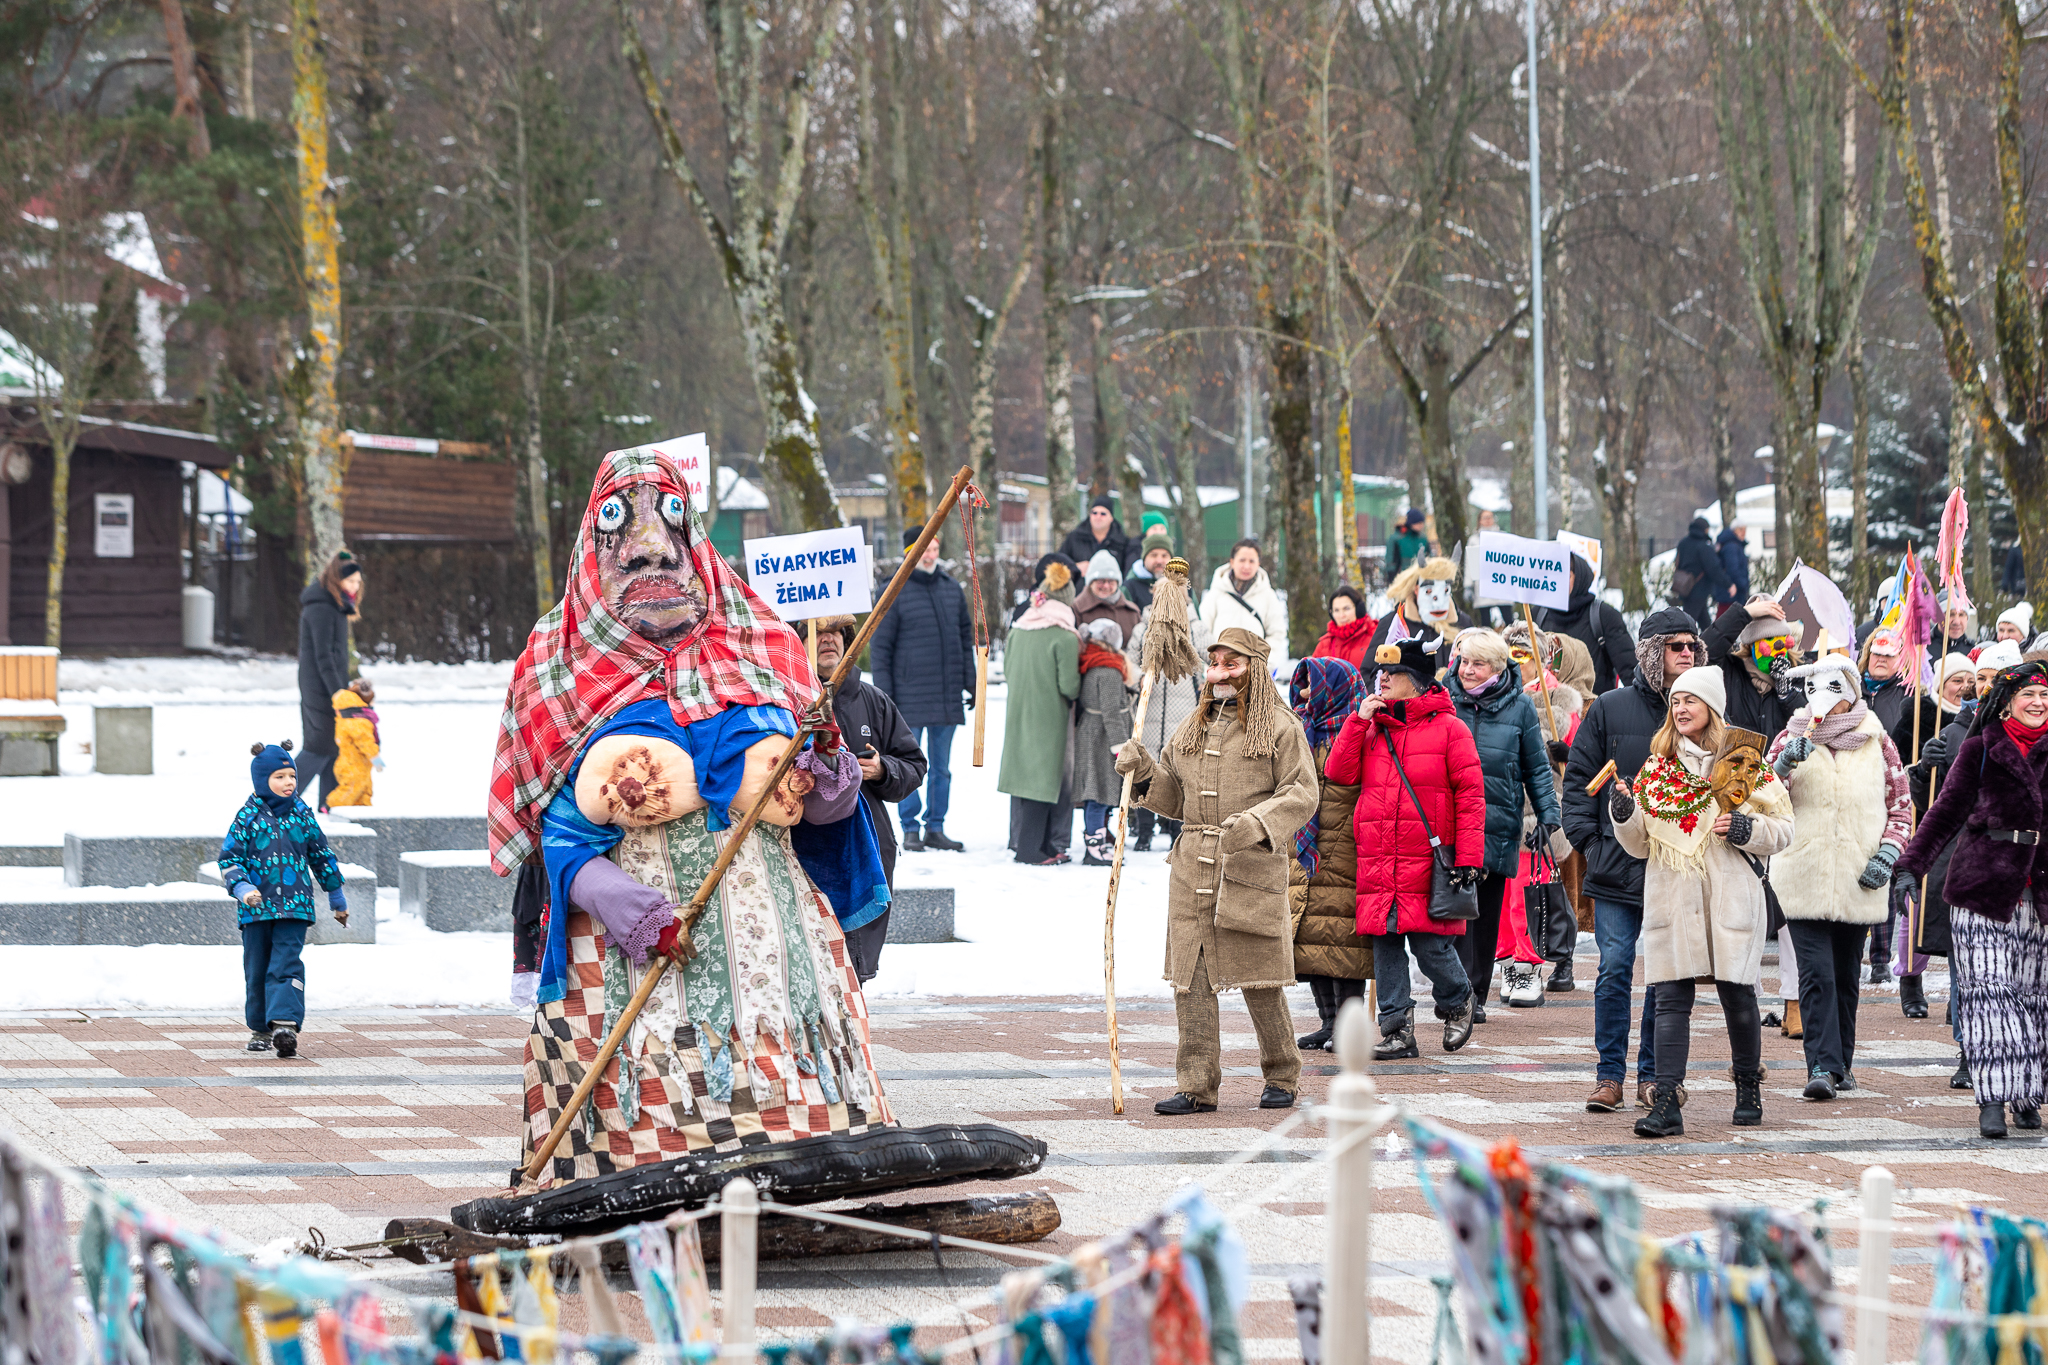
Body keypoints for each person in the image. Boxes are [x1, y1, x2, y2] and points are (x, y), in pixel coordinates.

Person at [487, 444, 890, 1191]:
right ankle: (626, 1177)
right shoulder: (556, 660)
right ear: (595, 536)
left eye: (667, 514)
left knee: (787, 1097)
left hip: (777, 954)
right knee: (635, 1120)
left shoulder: (761, 641)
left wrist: (826, 771)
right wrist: (620, 902)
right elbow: (558, 830)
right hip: (628, 950)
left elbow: (825, 808)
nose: (648, 546)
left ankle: (807, 1170)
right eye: (621, 520)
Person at [1114, 627, 1319, 1113]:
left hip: (1251, 868)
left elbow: (1302, 793)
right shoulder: (1191, 726)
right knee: (1192, 982)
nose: (1221, 673)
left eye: (1233, 663)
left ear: (1255, 667)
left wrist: (1256, 823)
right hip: (1191, 868)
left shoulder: (1282, 728)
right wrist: (1143, 771)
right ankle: (1197, 1085)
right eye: (1215, 663)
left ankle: (1283, 1076)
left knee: (1261, 979)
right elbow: (1173, 797)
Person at [1609, 668, 1793, 1137]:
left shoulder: (1744, 762)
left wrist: (1748, 829)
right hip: (1673, 894)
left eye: (1691, 700)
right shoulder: (1658, 769)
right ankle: (1667, 1103)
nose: (1681, 708)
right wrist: (1625, 814)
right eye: (1675, 702)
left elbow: (1784, 828)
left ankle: (1748, 1087)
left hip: (1731, 892)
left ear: (1711, 707)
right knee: (1670, 997)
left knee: (1737, 993)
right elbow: (1639, 844)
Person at [1895, 659, 2048, 1138]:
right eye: (2029, 695)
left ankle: (2026, 1092)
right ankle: (1992, 1099)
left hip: (2040, 892)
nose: (2039, 704)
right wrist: (1909, 867)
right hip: (1982, 885)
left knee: (2033, 998)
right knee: (1987, 993)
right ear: (2006, 702)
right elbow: (1944, 813)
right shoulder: (1981, 748)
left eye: (2046, 697)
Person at [1563, 607, 1702, 1113]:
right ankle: (1609, 1076)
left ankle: (1652, 1075)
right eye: (1676, 646)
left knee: (1665, 974)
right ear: (1651, 651)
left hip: (1674, 865)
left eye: (1692, 646)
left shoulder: (1704, 711)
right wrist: (1590, 841)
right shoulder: (1611, 708)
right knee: (1615, 967)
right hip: (1615, 862)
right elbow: (1580, 780)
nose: (1686, 654)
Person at [1327, 637, 1487, 1060]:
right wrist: (1357, 721)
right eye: (1379, 674)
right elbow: (1338, 773)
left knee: (1430, 944)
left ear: (1415, 682)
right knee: (1385, 943)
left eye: (1390, 674)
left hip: (1425, 860)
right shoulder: (1373, 726)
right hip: (1379, 857)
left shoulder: (1451, 730)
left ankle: (1458, 1001)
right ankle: (1397, 1030)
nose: (1381, 680)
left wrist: (1469, 858)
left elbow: (1471, 797)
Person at [1764, 649, 1913, 1102]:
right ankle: (1822, 1066)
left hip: (1858, 876)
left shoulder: (1877, 741)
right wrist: (1784, 765)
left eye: (1831, 690)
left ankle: (1842, 1064)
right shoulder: (1788, 737)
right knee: (1816, 974)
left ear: (1850, 693)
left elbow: (1901, 806)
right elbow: (1761, 797)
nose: (1821, 702)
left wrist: (1887, 854)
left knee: (1847, 974)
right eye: (1813, 691)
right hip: (1802, 874)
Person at [1444, 628, 1563, 1018]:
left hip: (1499, 822)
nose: (1468, 670)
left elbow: (1537, 767)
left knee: (1485, 914)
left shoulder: (1520, 707)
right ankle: (1457, 992)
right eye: (1464, 662)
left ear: (1496, 667)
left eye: (1478, 664)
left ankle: (1475, 993)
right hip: (1453, 824)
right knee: (1455, 913)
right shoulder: (1445, 700)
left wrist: (1549, 814)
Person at [810, 615, 928, 982]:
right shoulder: (783, 699)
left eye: (835, 632)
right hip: (802, 845)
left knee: (852, 970)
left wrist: (882, 770)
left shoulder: (873, 700)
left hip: (867, 843)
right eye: (817, 631)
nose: (828, 639)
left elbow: (914, 765)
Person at [221, 741, 348, 1058]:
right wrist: (243, 889)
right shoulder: (248, 817)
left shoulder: (302, 815)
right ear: (263, 780)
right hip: (256, 910)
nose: (289, 782)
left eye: (291, 775)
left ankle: (285, 1025)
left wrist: (336, 896)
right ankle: (260, 1028)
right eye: (280, 777)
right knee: (257, 968)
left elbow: (321, 856)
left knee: (286, 964)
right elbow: (229, 860)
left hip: (295, 907)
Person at [1495, 629, 1586, 999]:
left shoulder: (1559, 704)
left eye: (1524, 652)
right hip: (1499, 808)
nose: (1517, 660)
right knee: (1499, 898)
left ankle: (1528, 965)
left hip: (1538, 815)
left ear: (1542, 657)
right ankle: (1507, 962)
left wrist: (1564, 753)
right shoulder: (1493, 697)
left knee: (1528, 893)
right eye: (1510, 653)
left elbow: (1580, 757)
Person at [870, 529, 974, 852]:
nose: (930, 554)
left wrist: (970, 682)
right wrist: (884, 698)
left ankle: (936, 827)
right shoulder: (893, 591)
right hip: (907, 698)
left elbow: (964, 640)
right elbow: (880, 647)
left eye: (934, 547)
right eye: (923, 548)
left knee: (941, 767)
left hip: (945, 696)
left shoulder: (951, 589)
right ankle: (910, 827)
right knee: (908, 766)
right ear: (908, 552)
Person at [1287, 656, 1371, 1051]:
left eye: (1311, 686)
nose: (1303, 694)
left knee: (1345, 943)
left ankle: (1349, 1028)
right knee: (1311, 938)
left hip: (1346, 850)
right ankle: (1327, 1022)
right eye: (1301, 686)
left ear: (1333, 688)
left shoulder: (1361, 729)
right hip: (1306, 849)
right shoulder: (1301, 728)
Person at [1000, 562, 1083, 865]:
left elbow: (1009, 671)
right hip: (1051, 719)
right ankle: (1031, 851)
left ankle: (1039, 846)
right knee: (1044, 781)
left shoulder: (1018, 631)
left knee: (1027, 779)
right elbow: (1070, 687)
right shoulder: (1064, 636)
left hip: (1019, 714)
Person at [1124, 603, 1213, 852]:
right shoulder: (1143, 629)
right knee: (1145, 771)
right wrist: (1137, 676)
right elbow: (1129, 662)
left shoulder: (1194, 628)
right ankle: (1144, 831)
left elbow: (1213, 656)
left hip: (1183, 710)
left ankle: (1176, 830)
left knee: (1181, 771)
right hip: (1149, 710)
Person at [298, 551, 362, 812]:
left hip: (328, 687)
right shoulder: (322, 608)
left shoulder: (335, 606)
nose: (355, 587)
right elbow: (324, 656)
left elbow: (337, 656)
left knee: (334, 747)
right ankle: (273, 802)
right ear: (336, 580)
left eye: (358, 582)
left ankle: (329, 807)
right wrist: (339, 693)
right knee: (319, 746)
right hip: (318, 688)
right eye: (350, 582)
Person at [1073, 618, 1136, 867]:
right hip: (1102, 739)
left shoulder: (1092, 664)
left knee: (1096, 791)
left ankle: (1099, 839)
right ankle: (1095, 846)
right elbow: (1110, 711)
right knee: (1099, 792)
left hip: (1091, 733)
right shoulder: (1109, 670)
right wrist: (1121, 747)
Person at [1700, 593, 1804, 741]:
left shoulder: (1799, 673)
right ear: (1751, 645)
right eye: (1768, 639)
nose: (1777, 647)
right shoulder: (1731, 671)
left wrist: (1788, 695)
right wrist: (1744, 614)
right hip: (1737, 762)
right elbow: (1702, 652)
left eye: (1781, 640)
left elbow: (1810, 726)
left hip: (1784, 763)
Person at [1537, 554, 1637, 694]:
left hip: (1594, 710)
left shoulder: (1602, 615)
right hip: (1551, 710)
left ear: (1579, 579)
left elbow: (1630, 670)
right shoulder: (1540, 614)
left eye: (1565, 576)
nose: (1558, 582)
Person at [1365, 557, 1471, 684]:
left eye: (1445, 590)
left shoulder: (1462, 623)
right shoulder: (1394, 623)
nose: (1436, 602)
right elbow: (1369, 670)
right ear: (1416, 590)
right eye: (1429, 591)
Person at [1198, 538, 1288, 659]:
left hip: (1254, 672)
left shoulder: (1268, 596)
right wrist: (1213, 661)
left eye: (1252, 561)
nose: (1246, 566)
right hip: (1220, 670)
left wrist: (1265, 664)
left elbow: (1277, 633)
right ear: (1232, 562)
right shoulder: (1216, 593)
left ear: (1258, 564)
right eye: (1242, 560)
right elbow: (1202, 632)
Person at [329, 678, 381, 808]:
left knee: (363, 791)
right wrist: (377, 760)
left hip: (356, 763)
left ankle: (363, 814)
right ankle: (331, 807)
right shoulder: (358, 721)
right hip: (353, 765)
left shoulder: (348, 715)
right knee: (351, 790)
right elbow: (365, 743)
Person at [1673, 516, 1733, 627]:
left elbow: (1677, 563)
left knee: (1703, 621)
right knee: (1688, 623)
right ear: (1705, 529)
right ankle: (1683, 642)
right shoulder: (1704, 546)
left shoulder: (1683, 543)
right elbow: (1714, 568)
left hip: (1685, 587)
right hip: (1699, 588)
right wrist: (1728, 584)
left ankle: (1708, 643)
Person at [1075, 549, 1143, 644]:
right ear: (1090, 583)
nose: (1106, 586)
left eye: (1111, 581)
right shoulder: (1077, 609)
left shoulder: (1132, 612)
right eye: (1101, 581)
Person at [1058, 496, 1137, 576]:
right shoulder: (1074, 538)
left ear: (1111, 518)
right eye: (1094, 513)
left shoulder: (1122, 543)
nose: (1098, 517)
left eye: (1103, 514)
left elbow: (1128, 572)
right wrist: (1074, 567)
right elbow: (1058, 564)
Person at [1310, 586, 1374, 669]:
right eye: (1336, 610)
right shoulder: (1323, 645)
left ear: (1359, 609)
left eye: (1346, 608)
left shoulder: (1375, 635)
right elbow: (1312, 677)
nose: (1342, 615)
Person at [1123, 528, 1174, 611]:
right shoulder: (1129, 588)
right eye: (1154, 555)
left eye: (1164, 556)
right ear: (1144, 559)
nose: (1159, 561)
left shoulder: (1183, 587)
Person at [1716, 523, 1752, 617]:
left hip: (1730, 590)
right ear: (1734, 531)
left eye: (1744, 529)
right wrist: (1743, 585)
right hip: (1732, 591)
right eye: (1740, 529)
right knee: (1727, 619)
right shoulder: (1732, 547)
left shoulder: (1732, 545)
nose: (1743, 533)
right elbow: (1733, 569)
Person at [1386, 508, 1430, 581]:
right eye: (1418, 523)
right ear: (1411, 523)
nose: (1421, 526)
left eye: (1422, 523)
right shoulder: (1397, 538)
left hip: (1421, 577)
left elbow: (1429, 556)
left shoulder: (1423, 538)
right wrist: (1392, 578)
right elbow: (1391, 560)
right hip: (1403, 578)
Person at [1937, 592, 1977, 657]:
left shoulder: (1973, 652)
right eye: (1950, 614)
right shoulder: (1923, 649)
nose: (1957, 622)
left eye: (1961, 615)